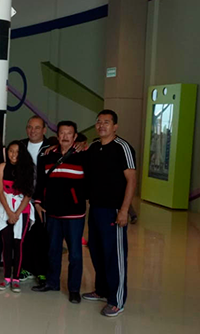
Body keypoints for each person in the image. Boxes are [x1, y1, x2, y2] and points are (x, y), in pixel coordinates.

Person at [83, 110, 136, 317]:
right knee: (96, 251)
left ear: (115, 126)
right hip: (95, 208)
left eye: (106, 122)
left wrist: (124, 210)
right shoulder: (95, 147)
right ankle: (102, 290)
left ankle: (117, 300)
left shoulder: (123, 148)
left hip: (114, 210)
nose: (101, 125)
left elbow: (131, 180)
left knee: (115, 255)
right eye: (99, 122)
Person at [31, 121, 87, 304]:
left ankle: (74, 289)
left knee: (75, 254)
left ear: (75, 136)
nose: (65, 136)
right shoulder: (47, 155)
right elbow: (40, 182)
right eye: (62, 133)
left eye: (69, 133)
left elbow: (91, 181)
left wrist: (79, 197)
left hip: (74, 214)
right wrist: (38, 203)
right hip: (53, 212)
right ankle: (52, 282)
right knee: (53, 250)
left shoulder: (83, 155)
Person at [0, 141, 36, 293]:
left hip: (21, 211)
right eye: (11, 151)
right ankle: (6, 277)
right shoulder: (2, 167)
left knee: (18, 244)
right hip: (5, 209)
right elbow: (0, 191)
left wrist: (17, 213)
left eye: (17, 152)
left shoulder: (28, 169)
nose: (13, 155)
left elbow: (28, 194)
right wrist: (9, 212)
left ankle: (16, 278)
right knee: (7, 244)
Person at [19, 116, 53, 285]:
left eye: (37, 127)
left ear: (44, 130)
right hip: (22, 199)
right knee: (24, 234)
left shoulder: (51, 148)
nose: (33, 131)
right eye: (30, 127)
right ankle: (25, 267)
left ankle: (41, 270)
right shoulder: (21, 146)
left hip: (42, 200)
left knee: (41, 235)